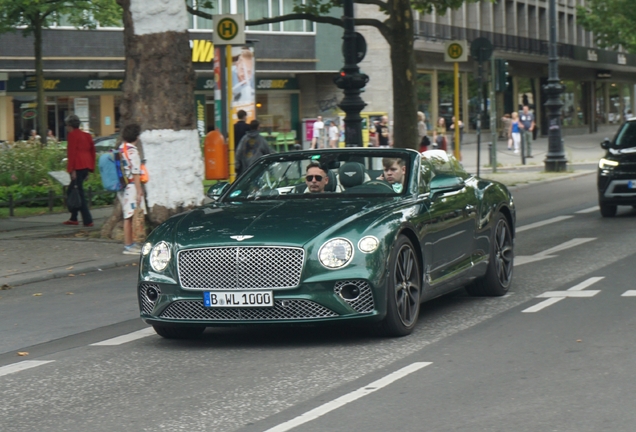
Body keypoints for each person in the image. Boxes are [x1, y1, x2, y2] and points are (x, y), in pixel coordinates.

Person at [117, 123, 147, 255]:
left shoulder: (121, 148)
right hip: (132, 186)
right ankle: (129, 245)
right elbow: (136, 172)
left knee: (127, 215)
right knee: (130, 216)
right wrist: (139, 190)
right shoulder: (132, 151)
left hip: (124, 186)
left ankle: (130, 243)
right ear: (137, 136)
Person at [63, 114, 95, 227]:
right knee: (75, 191)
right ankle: (74, 217)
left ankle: (87, 219)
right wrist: (90, 169)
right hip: (86, 165)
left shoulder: (72, 135)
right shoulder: (87, 135)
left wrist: (72, 170)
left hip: (77, 166)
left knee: (77, 193)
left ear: (69, 125)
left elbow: (72, 153)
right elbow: (92, 152)